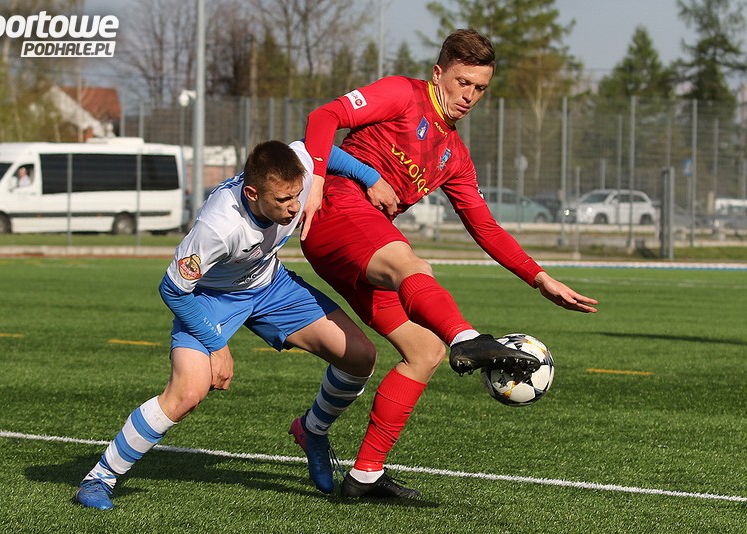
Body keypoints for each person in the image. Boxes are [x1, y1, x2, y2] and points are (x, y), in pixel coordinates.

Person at [297, 29, 599, 498]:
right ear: (439, 73)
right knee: (413, 266)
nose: (470, 96)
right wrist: (317, 179)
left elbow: (486, 228)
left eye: (480, 88)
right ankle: (466, 338)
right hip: (338, 210)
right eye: (463, 82)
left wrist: (539, 278)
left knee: (425, 352)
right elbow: (323, 116)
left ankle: (366, 474)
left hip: (364, 243)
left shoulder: (454, 156)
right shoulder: (403, 94)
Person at [74, 140, 385, 510]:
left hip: (270, 285)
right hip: (210, 298)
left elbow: (318, 147)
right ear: (252, 194)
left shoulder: (295, 171)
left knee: (360, 357)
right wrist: (217, 345)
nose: (293, 207)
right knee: (187, 393)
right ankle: (99, 478)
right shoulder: (218, 226)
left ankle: (312, 430)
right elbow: (173, 289)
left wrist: (371, 178)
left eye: (297, 195)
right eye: (282, 200)